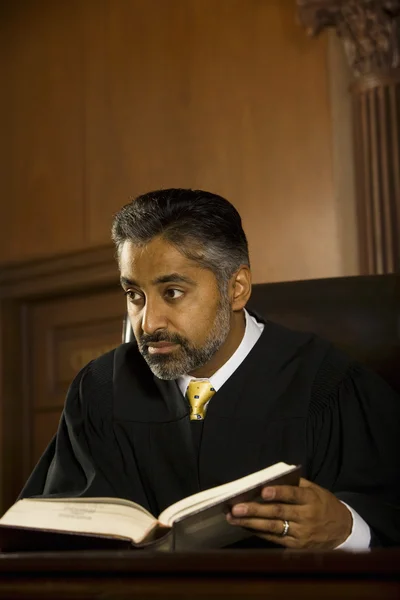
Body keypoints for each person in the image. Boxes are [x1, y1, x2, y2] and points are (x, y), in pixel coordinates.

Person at [20, 189, 400, 549]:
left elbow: (388, 513)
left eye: (172, 293)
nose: (148, 323)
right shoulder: (101, 389)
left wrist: (348, 526)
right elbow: (49, 535)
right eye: (134, 295)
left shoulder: (328, 386)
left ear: (236, 288)